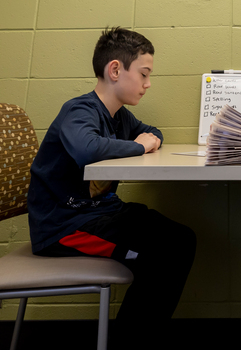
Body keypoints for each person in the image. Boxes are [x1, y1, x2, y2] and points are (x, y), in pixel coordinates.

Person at [28, 27, 196, 345]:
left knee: (181, 239)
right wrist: (141, 146)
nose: (148, 84)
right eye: (144, 74)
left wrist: (148, 139)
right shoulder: (79, 110)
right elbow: (87, 148)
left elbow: (151, 131)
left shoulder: (119, 117)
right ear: (116, 69)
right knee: (161, 257)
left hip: (103, 214)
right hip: (66, 227)